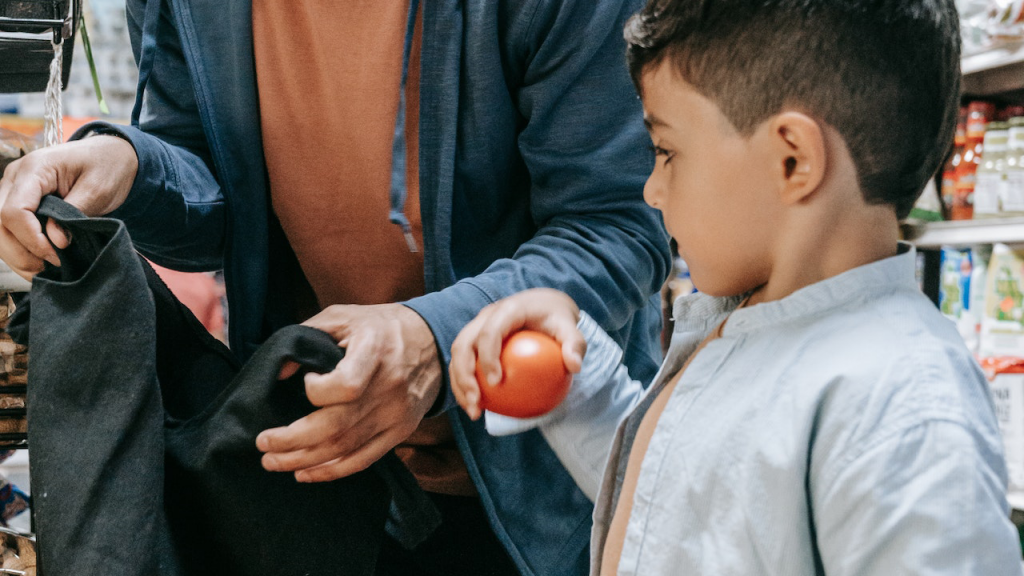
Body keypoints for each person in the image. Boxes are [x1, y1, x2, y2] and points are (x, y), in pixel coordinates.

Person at [0, 1, 670, 575]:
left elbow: (615, 227)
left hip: (526, 494)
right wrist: (128, 167)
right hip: (306, 489)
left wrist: (432, 339)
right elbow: (218, 193)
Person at [449, 1, 1024, 574]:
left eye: (667, 152)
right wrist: (582, 388)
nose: (652, 190)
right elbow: (676, 512)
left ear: (792, 160)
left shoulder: (903, 405)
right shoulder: (747, 325)